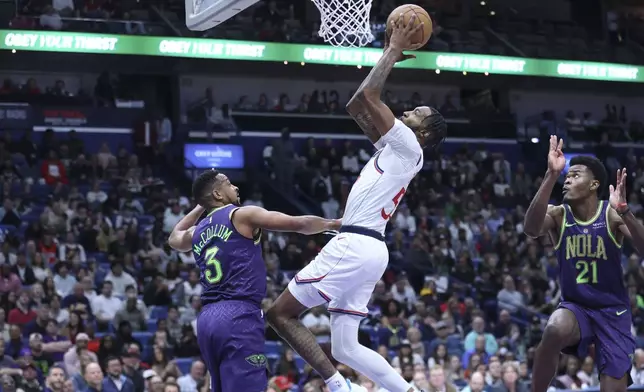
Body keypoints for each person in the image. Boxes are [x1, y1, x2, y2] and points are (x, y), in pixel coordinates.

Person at [265, 14, 447, 392]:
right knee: (346, 346)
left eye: (415, 113)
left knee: (280, 314)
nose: (406, 112)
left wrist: (393, 50)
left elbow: (370, 97)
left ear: (424, 131)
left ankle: (336, 385)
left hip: (356, 244)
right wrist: (386, 56)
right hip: (369, 247)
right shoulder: (397, 146)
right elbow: (356, 104)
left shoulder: (410, 144)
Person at [167, 169, 340, 392]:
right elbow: (299, 223)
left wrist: (201, 205)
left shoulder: (197, 230)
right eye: (228, 183)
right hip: (238, 315)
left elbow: (173, 238)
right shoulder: (241, 215)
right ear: (218, 194)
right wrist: (334, 224)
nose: (236, 187)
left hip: (207, 320)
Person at [524, 135, 643, 392]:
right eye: (566, 176)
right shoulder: (559, 215)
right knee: (554, 328)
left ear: (594, 184)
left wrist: (626, 212)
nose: (567, 179)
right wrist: (550, 175)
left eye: (575, 175)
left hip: (613, 312)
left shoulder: (611, 214)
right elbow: (531, 228)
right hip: (576, 308)